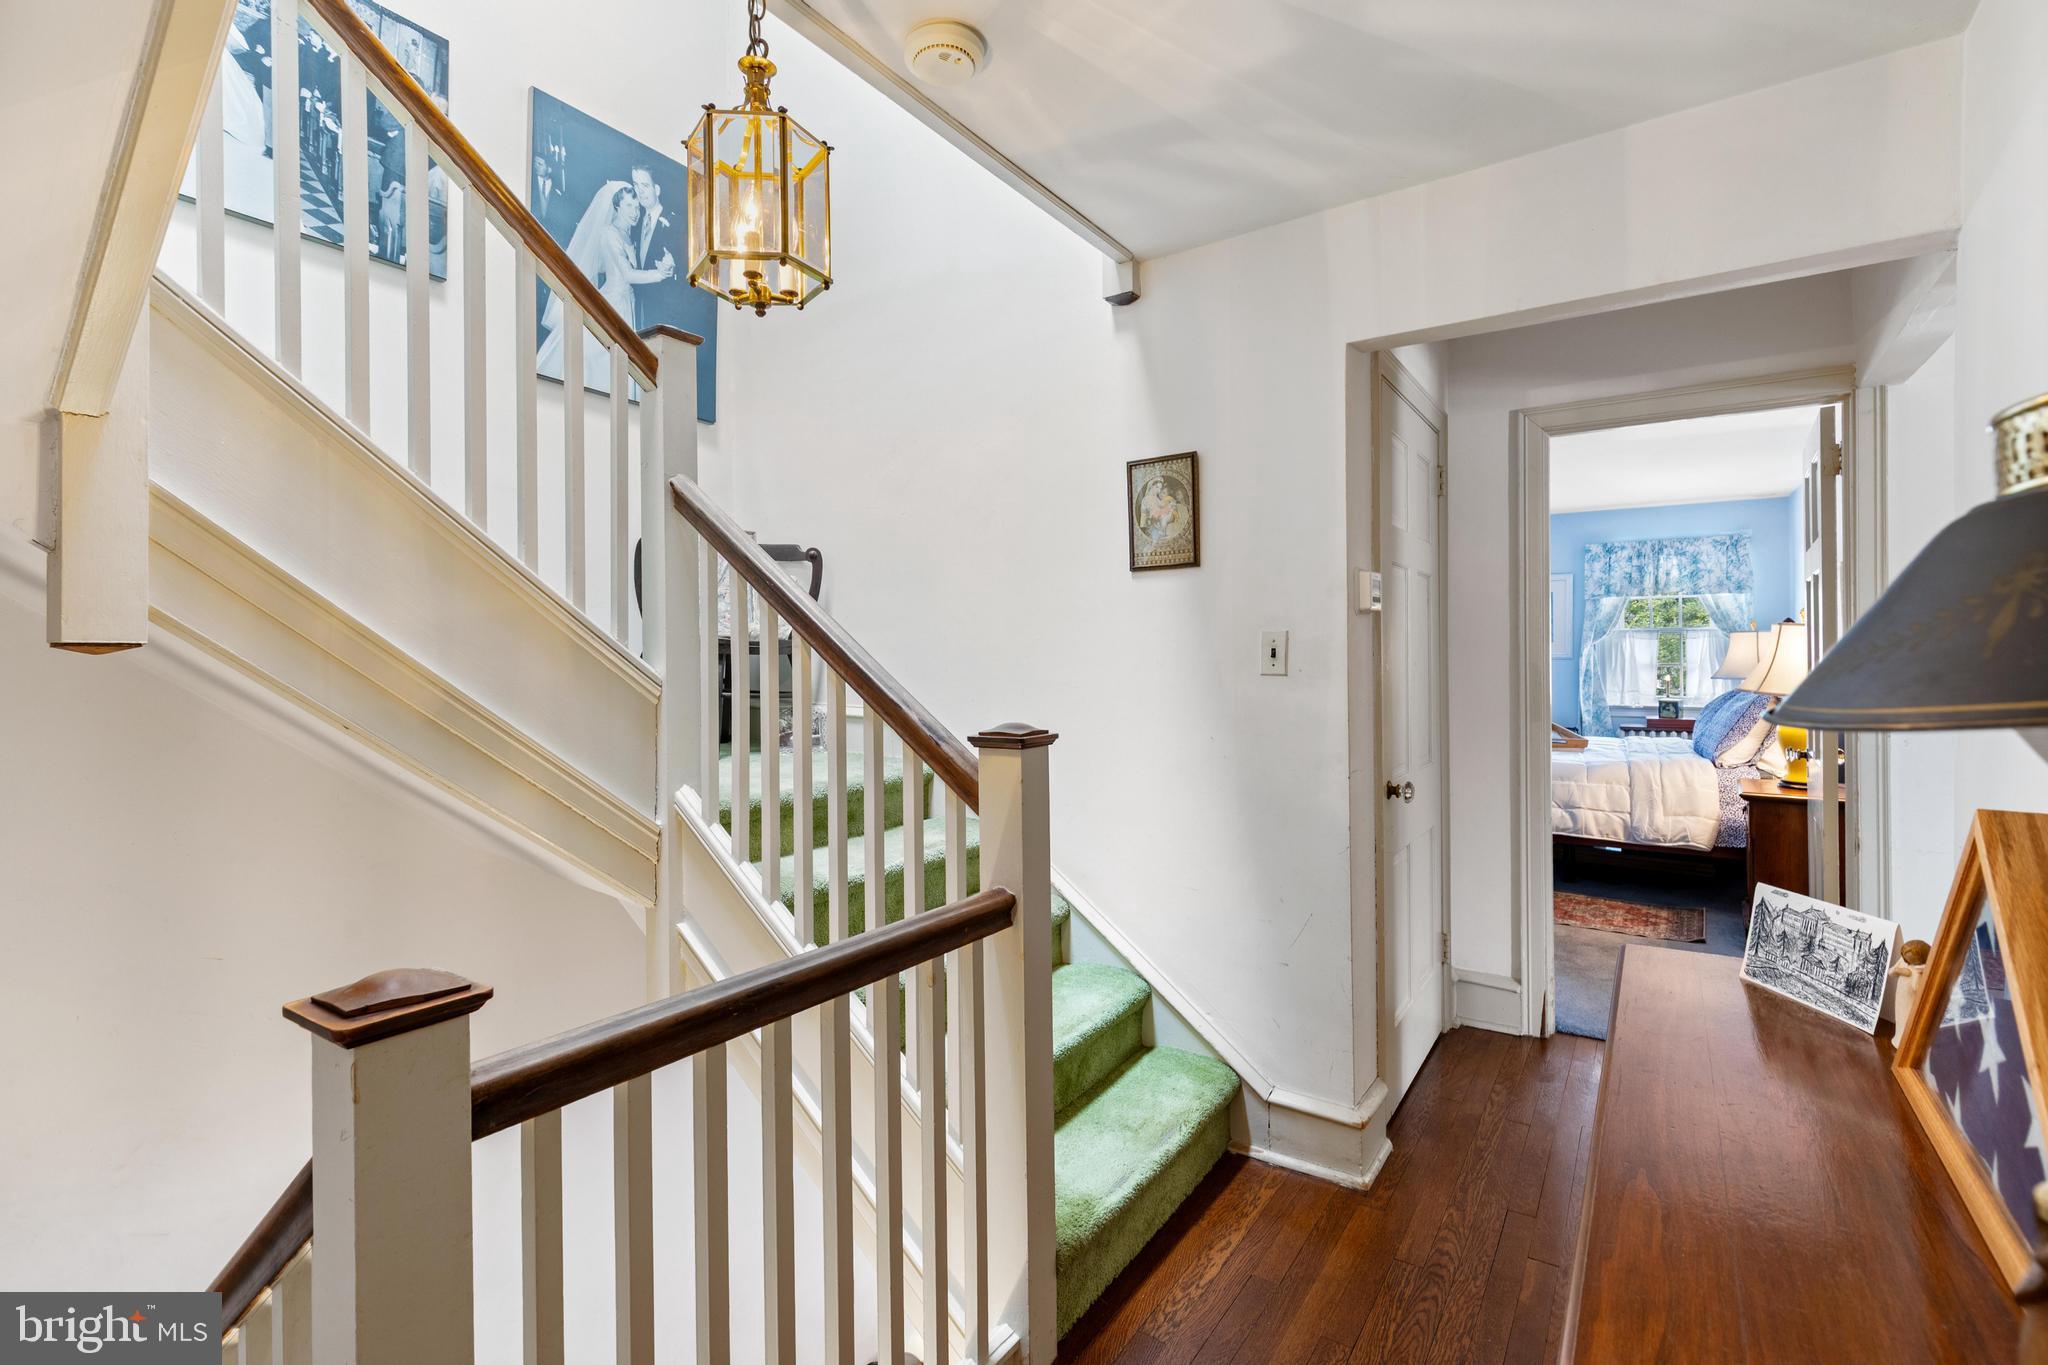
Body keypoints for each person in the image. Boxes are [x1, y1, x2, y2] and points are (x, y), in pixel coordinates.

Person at [536, 182, 676, 381]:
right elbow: (627, 274)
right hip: (614, 302)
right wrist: (660, 274)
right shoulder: (609, 234)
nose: (635, 212)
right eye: (629, 206)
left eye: (637, 207)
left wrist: (662, 264)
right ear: (617, 207)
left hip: (628, 303)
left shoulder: (627, 235)